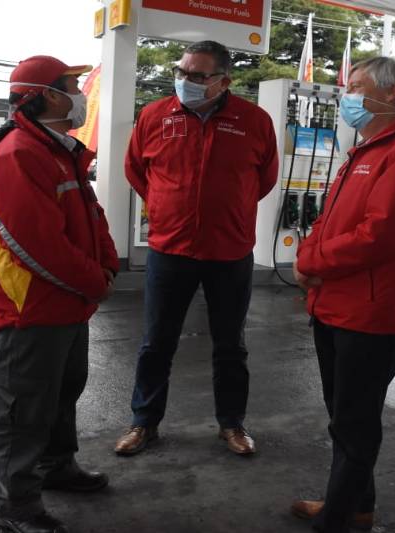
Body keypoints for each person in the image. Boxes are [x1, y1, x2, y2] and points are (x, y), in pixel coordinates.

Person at [0, 55, 120, 533]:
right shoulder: (20, 154)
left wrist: (107, 264)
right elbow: (35, 245)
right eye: (72, 85)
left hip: (66, 304)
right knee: (23, 410)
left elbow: (91, 216)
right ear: (45, 96)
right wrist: (94, 279)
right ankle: (17, 508)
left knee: (63, 392)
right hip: (31, 308)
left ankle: (56, 467)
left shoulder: (57, 149)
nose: (80, 93)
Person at [290, 56, 395, 533]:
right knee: (343, 416)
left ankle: (337, 520)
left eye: (356, 87)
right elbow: (331, 220)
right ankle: (357, 505)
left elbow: (380, 235)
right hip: (335, 304)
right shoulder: (365, 150)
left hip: (371, 312)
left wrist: (310, 262)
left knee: (355, 421)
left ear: (392, 94)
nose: (347, 96)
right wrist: (309, 253)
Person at [116, 40, 278, 457]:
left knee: (231, 345)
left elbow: (265, 178)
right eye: (182, 71)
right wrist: (166, 207)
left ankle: (232, 425)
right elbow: (136, 169)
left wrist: (228, 209)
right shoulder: (155, 115)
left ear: (224, 81)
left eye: (197, 75)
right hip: (170, 250)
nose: (185, 81)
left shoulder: (254, 120)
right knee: (156, 343)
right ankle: (143, 423)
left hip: (230, 252)